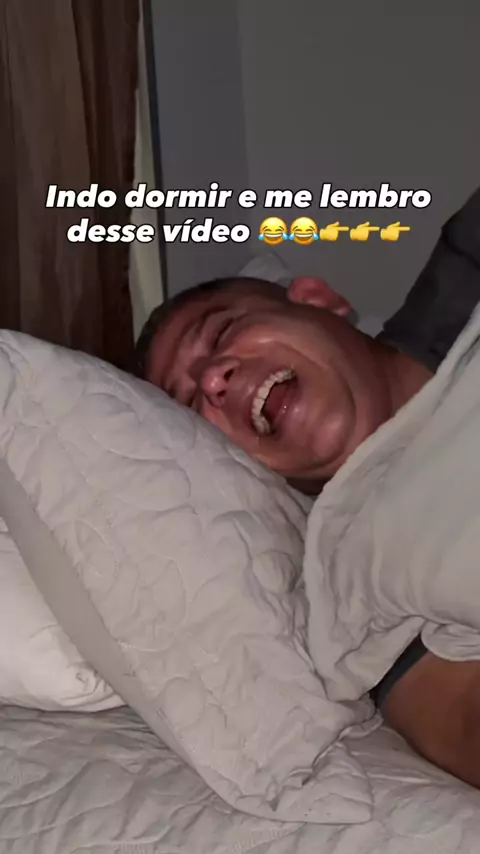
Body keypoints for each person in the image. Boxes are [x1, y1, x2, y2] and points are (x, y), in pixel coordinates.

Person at [135, 187, 480, 789]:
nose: (213, 379)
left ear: (319, 301)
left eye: (222, 332)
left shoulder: (465, 263)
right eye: (192, 406)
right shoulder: (353, 590)